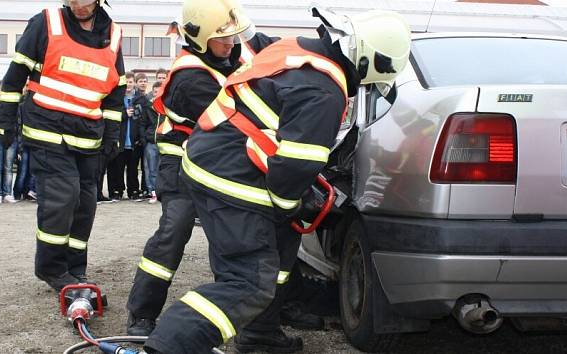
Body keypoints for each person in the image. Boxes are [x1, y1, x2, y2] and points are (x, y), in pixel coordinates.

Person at [143, 6, 411, 354]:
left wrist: (287, 209)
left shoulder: (296, 48)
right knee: (249, 282)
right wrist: (293, 206)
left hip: (216, 158)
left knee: (280, 257)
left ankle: (259, 335)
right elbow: (293, 171)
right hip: (232, 177)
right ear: (368, 64)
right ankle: (167, 345)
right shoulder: (325, 92)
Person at [125, 0, 279, 341]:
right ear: (198, 39)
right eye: (221, 38)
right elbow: (238, 118)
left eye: (233, 35)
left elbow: (268, 51)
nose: (229, 43)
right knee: (174, 232)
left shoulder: (235, 52)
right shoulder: (189, 76)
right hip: (180, 161)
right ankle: (142, 314)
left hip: (219, 162)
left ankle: (251, 322)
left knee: (232, 239)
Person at [0, 0, 125, 291]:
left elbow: (117, 90)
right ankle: (51, 268)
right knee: (62, 198)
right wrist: (5, 120)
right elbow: (15, 75)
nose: (78, 5)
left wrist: (112, 133)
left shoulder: (113, 34)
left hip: (88, 135)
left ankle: (75, 268)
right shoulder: (46, 22)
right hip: (46, 129)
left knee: (85, 204)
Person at [107, 71, 145, 201]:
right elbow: (111, 116)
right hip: (120, 139)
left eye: (130, 82)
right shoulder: (117, 99)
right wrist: (124, 115)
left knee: (133, 169)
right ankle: (117, 191)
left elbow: (144, 120)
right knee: (118, 167)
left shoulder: (141, 99)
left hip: (134, 140)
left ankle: (133, 191)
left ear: (134, 83)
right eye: (126, 82)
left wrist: (141, 137)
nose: (128, 85)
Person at [0, 82, 19, 204]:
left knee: (8, 168)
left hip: (11, 139)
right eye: (2, 88)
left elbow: (18, 122)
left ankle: (7, 193)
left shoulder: (15, 106)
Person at [141, 81, 162, 204]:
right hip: (150, 142)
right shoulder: (148, 107)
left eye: (159, 91)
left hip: (164, 143)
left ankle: (161, 192)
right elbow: (142, 124)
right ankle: (153, 192)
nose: (157, 94)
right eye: (155, 92)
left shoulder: (166, 108)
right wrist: (144, 139)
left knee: (162, 169)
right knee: (150, 169)